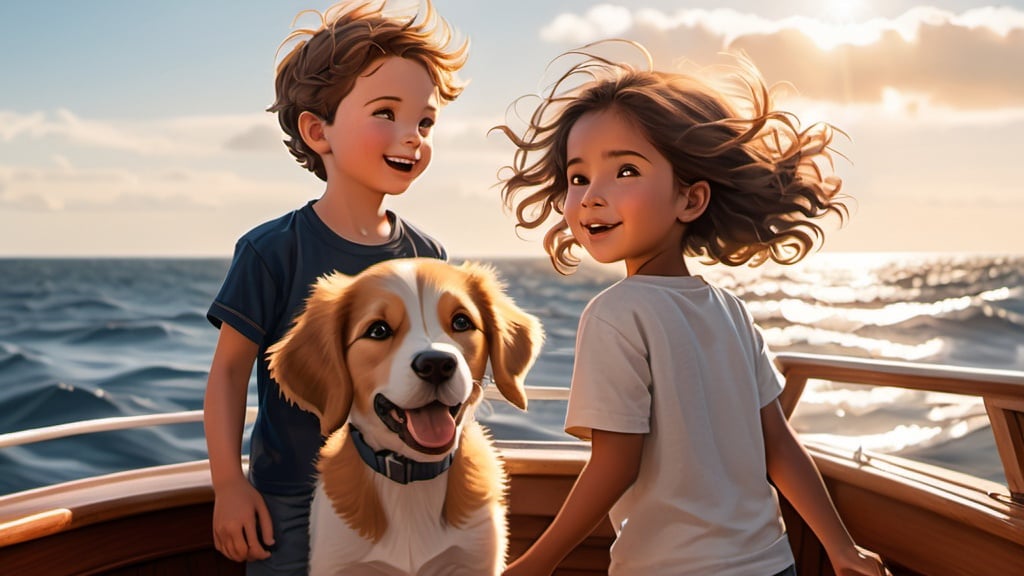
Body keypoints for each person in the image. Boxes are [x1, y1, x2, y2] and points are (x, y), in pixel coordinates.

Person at [494, 41, 890, 576]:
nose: (590, 196)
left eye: (626, 171)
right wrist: (840, 548)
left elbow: (615, 463)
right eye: (578, 176)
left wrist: (536, 563)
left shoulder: (615, 314)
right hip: (771, 564)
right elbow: (780, 444)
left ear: (691, 199)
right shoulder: (730, 310)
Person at [203, 1, 467, 573]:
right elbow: (227, 373)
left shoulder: (430, 255)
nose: (412, 138)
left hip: (407, 499)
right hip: (291, 499)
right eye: (386, 113)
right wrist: (229, 484)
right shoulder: (271, 251)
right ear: (317, 130)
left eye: (424, 122)